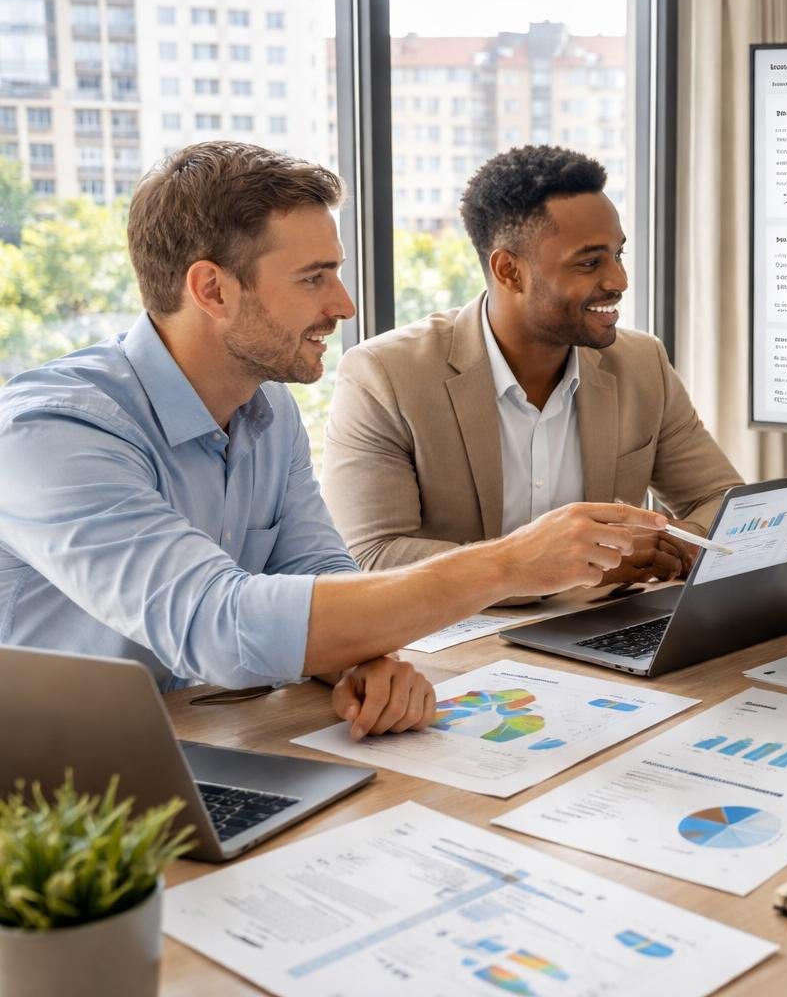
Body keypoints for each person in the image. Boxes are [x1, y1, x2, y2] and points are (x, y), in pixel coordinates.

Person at [0, 141, 667, 738]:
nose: (344, 305)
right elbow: (216, 625)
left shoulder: (267, 409)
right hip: (50, 801)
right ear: (212, 289)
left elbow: (316, 572)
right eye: (314, 277)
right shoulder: (52, 430)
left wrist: (365, 663)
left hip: (199, 750)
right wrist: (511, 562)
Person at [320, 145, 741, 594]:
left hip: (599, 631)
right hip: (461, 648)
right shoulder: (385, 375)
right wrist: (576, 564)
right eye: (589, 262)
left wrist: (676, 543)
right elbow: (371, 558)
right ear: (509, 271)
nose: (619, 281)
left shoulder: (642, 364)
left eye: (619, 255)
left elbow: (723, 501)